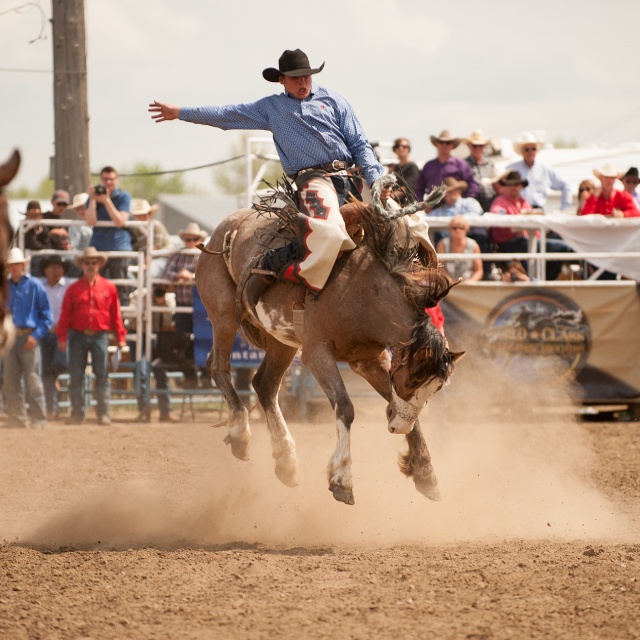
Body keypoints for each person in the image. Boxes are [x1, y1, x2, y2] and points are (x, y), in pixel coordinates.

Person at [149, 48, 385, 309]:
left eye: (306, 76)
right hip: (314, 178)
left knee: (399, 218)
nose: (303, 82)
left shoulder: (334, 100)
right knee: (329, 232)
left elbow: (359, 142)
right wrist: (181, 112)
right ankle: (272, 264)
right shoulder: (272, 108)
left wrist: (376, 180)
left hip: (352, 176)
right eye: (295, 78)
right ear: (281, 80)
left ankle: (414, 286)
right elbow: (227, 115)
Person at [56, 247, 127, 426]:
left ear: (98, 264)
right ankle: (77, 413)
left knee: (101, 374)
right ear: (82, 265)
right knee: (76, 375)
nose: (90, 266)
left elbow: (115, 313)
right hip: (78, 335)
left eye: (93, 262)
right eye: (87, 263)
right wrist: (62, 337)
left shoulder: (108, 287)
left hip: (100, 335)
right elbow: (65, 314)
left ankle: (103, 413)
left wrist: (120, 336)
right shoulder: (73, 289)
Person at [490, 171, 572, 280]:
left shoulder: (524, 202)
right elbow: (496, 213)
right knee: (562, 247)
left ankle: (544, 280)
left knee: (558, 249)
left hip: (526, 242)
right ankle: (542, 281)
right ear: (506, 186)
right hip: (510, 243)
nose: (513, 187)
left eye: (516, 184)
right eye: (510, 184)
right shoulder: (500, 201)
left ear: (521, 186)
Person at [4, 247, 52, 428]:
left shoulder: (35, 285)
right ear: (8, 267)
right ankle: (18, 418)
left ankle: (39, 418)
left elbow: (47, 315)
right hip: (10, 339)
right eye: (12, 265)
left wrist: (36, 335)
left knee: (33, 379)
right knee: (11, 379)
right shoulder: (5, 287)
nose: (15, 267)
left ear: (23, 265)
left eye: (18, 264)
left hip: (28, 337)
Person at [85, 165, 133, 307]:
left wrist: (106, 200)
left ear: (116, 180)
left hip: (119, 249)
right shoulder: (93, 197)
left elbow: (120, 221)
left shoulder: (123, 196)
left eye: (111, 179)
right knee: (96, 286)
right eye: (105, 179)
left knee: (121, 287)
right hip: (98, 248)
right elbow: (91, 221)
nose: (108, 182)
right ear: (101, 179)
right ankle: (101, 319)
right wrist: (93, 199)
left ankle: (121, 321)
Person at [129, 286, 177, 423]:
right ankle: (144, 410)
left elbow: (168, 322)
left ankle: (165, 411)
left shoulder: (168, 299)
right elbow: (130, 316)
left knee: (161, 371)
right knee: (141, 372)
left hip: (157, 338)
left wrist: (161, 304)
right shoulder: (138, 294)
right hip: (139, 336)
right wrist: (144, 304)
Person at [39, 255, 74, 420]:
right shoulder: (39, 286)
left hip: (63, 332)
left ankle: (55, 383)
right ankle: (52, 409)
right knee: (46, 371)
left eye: (58, 267)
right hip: (43, 332)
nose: (55, 270)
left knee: (60, 364)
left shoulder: (70, 286)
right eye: (51, 267)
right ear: (45, 270)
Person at [507, 132, 572, 211]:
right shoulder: (512, 169)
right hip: (517, 209)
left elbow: (565, 186)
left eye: (533, 149)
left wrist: (563, 209)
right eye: (527, 149)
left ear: (536, 151)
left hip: (537, 210)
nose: (530, 152)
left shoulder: (545, 169)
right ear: (522, 151)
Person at [414, 129, 479, 203]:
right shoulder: (428, 166)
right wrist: (422, 205)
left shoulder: (460, 164)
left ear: (452, 145)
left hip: (456, 207)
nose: (444, 145)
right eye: (441, 142)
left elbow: (472, 184)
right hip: (434, 209)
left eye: (448, 143)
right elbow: (419, 188)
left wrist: (465, 202)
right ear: (436, 144)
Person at [129, 198, 172, 278]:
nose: (143, 217)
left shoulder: (156, 225)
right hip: (146, 260)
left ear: (150, 215)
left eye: (145, 214)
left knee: (149, 274)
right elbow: (135, 249)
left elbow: (155, 247)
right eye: (139, 215)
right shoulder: (135, 230)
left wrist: (144, 263)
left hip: (163, 259)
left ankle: (142, 289)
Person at [435, 215, 483, 282]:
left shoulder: (474, 245)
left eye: (461, 228)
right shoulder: (443, 244)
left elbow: (478, 271)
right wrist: (448, 281)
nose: (458, 230)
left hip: (468, 285)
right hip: (447, 284)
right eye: (454, 228)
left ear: (466, 229)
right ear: (450, 229)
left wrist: (471, 281)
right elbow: (439, 269)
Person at [463, 130, 497, 212]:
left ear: (484, 147)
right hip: (472, 205)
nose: (477, 148)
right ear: (469, 146)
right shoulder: (463, 164)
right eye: (474, 145)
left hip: (491, 202)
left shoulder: (490, 164)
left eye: (480, 145)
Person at [19, 200, 49, 277]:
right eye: (31, 215)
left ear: (40, 216)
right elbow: (32, 244)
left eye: (36, 215)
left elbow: (48, 243)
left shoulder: (44, 229)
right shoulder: (24, 229)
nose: (33, 218)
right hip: (28, 260)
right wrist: (45, 248)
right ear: (27, 216)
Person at [387, 137, 420, 203]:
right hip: (393, 202)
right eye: (398, 146)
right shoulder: (395, 167)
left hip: (407, 205)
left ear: (408, 149)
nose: (401, 148)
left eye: (404, 146)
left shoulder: (412, 166)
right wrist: (389, 172)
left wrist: (391, 196)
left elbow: (408, 187)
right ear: (395, 149)